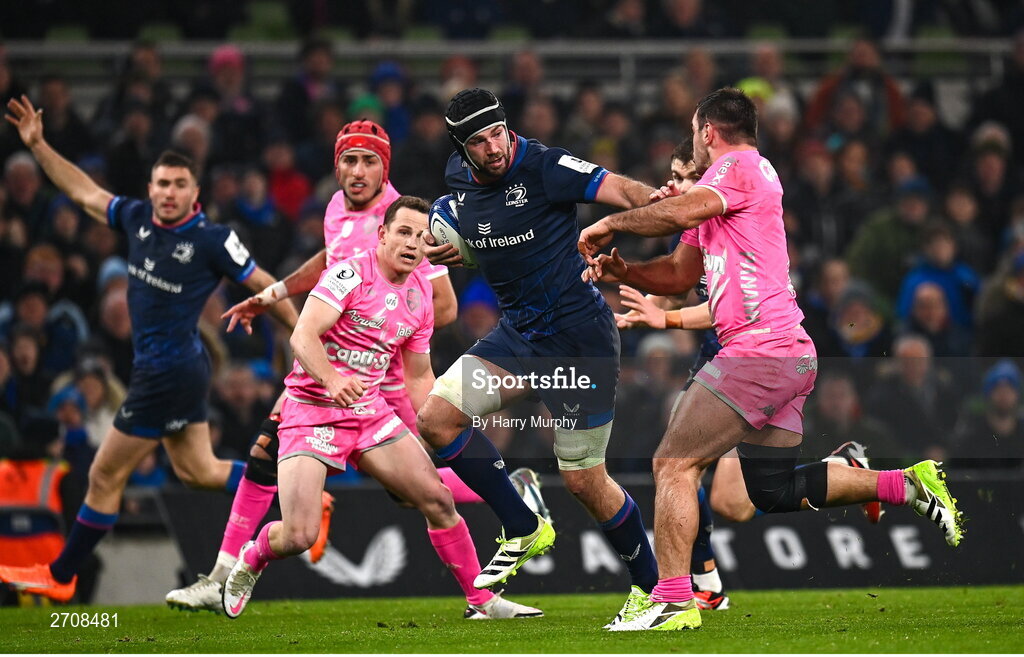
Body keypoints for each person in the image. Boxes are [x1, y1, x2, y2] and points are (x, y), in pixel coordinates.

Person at [579, 88, 964, 631]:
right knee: (771, 490)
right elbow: (679, 275)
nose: (693, 143)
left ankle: (672, 599)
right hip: (787, 356)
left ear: (708, 132)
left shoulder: (743, 167)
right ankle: (907, 484)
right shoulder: (716, 198)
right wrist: (625, 271)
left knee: (673, 463)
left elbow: (677, 213)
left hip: (758, 351)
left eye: (694, 133)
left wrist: (613, 222)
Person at [167, 120, 544, 615]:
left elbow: (427, 345)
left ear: (385, 168)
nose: (359, 170)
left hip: (375, 395)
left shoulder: (408, 241)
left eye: (370, 160)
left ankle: (483, 595)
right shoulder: (342, 221)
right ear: (337, 166)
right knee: (290, 504)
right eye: (350, 159)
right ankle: (237, 565)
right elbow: (320, 288)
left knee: (427, 496)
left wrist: (427, 392)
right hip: (322, 393)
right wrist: (277, 295)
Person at [0, 95, 299, 603]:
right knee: (198, 471)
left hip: (168, 371)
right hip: (173, 369)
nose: (169, 192)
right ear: (150, 188)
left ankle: (62, 574)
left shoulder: (211, 239)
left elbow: (264, 281)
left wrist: (301, 334)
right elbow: (84, 192)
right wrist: (39, 145)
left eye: (179, 184)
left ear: (195, 192)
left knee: (103, 473)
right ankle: (301, 494)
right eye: (162, 183)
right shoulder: (136, 218)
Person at [586, 138, 883, 613]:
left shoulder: (737, 216)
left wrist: (669, 317)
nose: (674, 185)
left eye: (684, 176)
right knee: (730, 499)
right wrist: (636, 290)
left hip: (753, 355)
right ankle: (848, 471)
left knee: (681, 466)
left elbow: (722, 303)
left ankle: (697, 585)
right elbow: (673, 283)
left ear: (706, 173)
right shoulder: (698, 224)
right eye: (672, 176)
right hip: (725, 354)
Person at [415, 87, 662, 627]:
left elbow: (618, 188)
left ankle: (654, 589)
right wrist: (457, 245)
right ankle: (522, 523)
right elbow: (474, 226)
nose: (494, 148)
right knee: (436, 419)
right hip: (519, 339)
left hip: (579, 342)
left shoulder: (547, 166)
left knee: (584, 482)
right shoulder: (458, 182)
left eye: (499, 134)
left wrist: (669, 203)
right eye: (479, 142)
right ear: (462, 149)